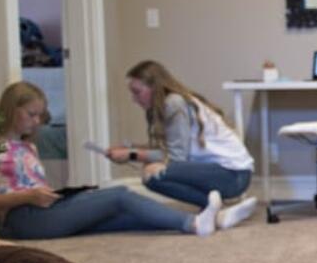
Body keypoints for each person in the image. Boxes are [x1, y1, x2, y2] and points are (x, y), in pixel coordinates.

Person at [0, 82, 224, 239]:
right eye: (31, 114)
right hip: (20, 218)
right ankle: (192, 224)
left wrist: (47, 195)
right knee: (120, 195)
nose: (37, 121)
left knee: (121, 215)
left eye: (40, 115)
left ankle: (213, 220)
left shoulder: (28, 146)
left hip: (43, 209)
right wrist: (27, 197)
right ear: (11, 109)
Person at [108, 60, 257, 227]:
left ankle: (218, 208)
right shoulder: (172, 102)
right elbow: (169, 149)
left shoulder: (174, 103)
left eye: (137, 92)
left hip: (233, 175)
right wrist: (129, 149)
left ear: (154, 87)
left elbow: (176, 157)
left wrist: (132, 155)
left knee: (151, 174)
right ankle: (218, 210)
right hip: (230, 173)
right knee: (152, 170)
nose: (134, 99)